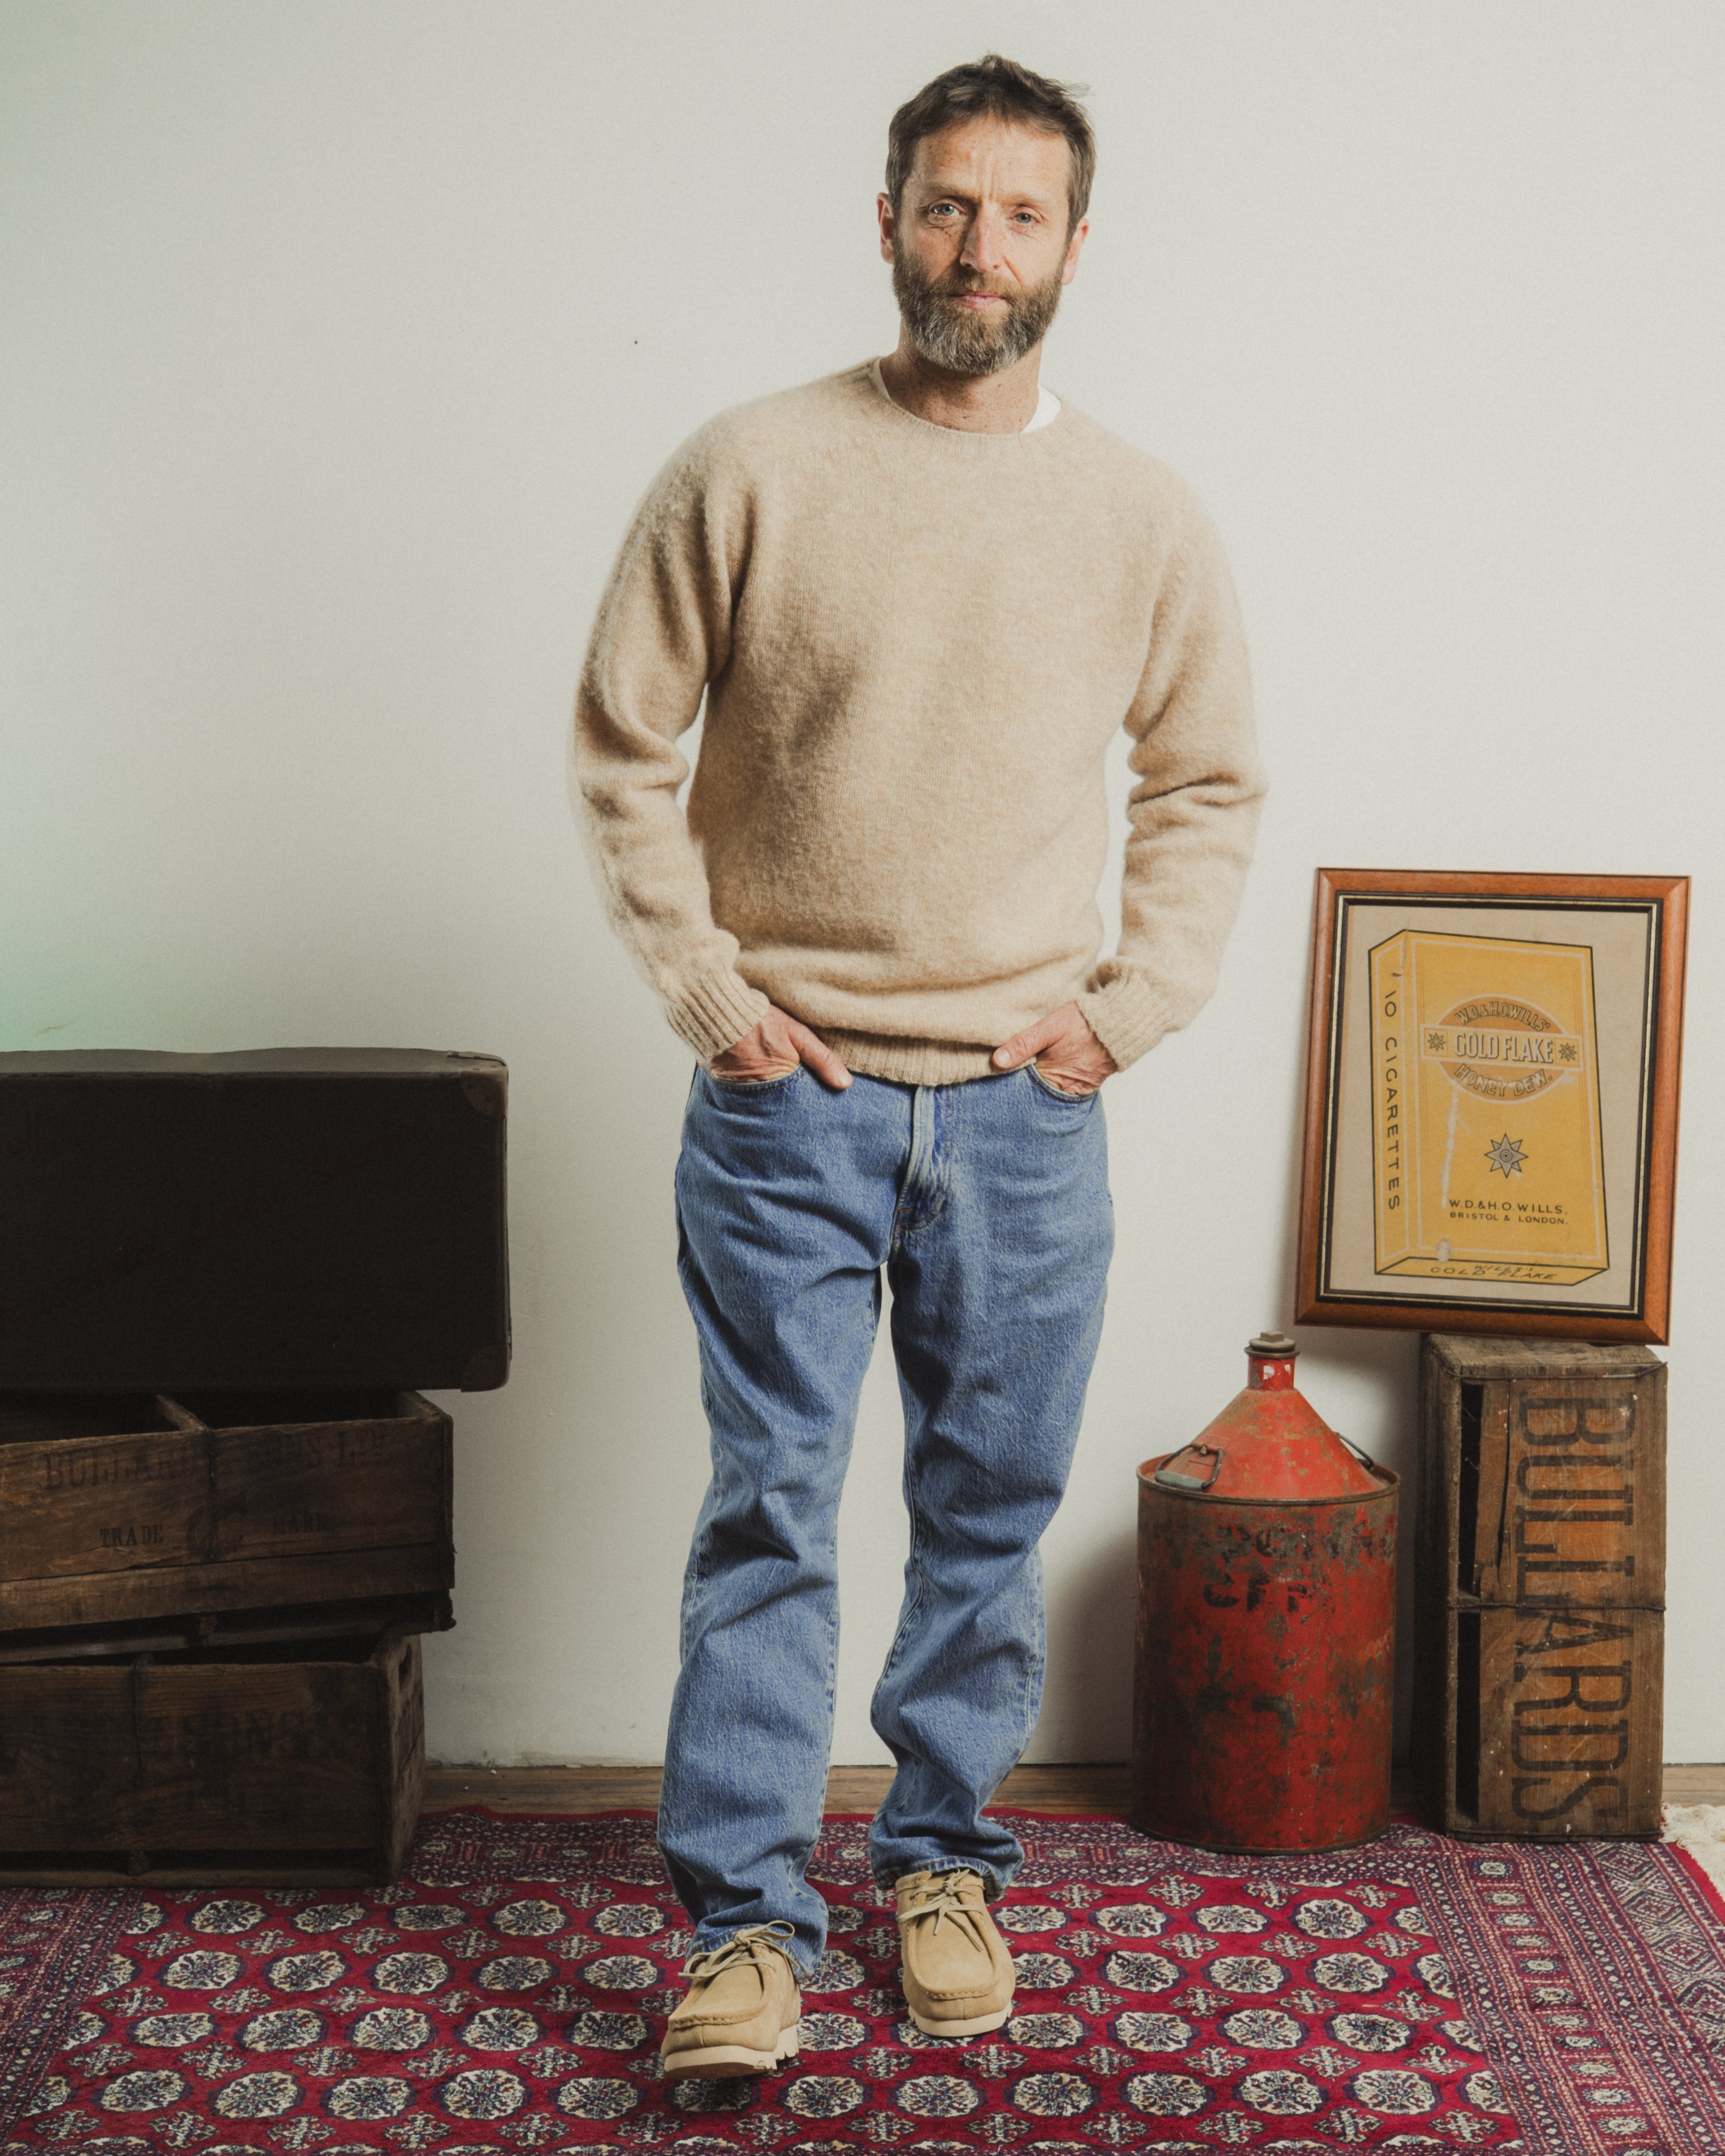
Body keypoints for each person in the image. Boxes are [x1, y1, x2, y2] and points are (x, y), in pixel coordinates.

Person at [571, 52, 1266, 2081]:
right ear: (886, 219)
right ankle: (746, 1927)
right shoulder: (750, 465)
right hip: (788, 1100)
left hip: (1026, 1112)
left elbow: (1213, 778)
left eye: (1023, 214)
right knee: (772, 1513)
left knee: (987, 1510)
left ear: (1073, 244)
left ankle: (944, 1860)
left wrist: (1123, 1013)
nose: (983, 248)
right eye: (948, 206)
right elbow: (623, 747)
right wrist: (709, 994)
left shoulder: (1142, 511)